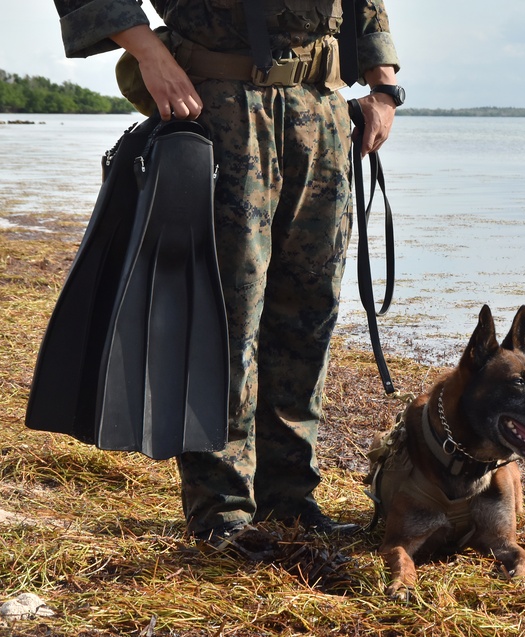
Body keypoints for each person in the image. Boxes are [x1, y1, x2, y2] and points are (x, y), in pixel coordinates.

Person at [52, 0, 403, 552]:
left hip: (321, 115)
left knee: (308, 318)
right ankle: (222, 511)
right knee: (222, 317)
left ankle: (290, 499)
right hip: (217, 108)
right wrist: (148, 52)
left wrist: (385, 90)